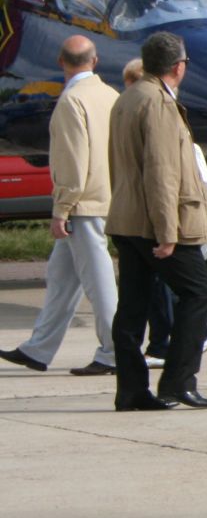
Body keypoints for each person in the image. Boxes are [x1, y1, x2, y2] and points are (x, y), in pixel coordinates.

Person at [106, 32, 207, 410]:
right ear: (178, 67)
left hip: (126, 218)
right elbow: (161, 171)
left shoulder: (128, 97)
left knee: (133, 307)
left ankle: (132, 390)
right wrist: (168, 232)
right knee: (198, 291)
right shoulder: (158, 103)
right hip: (155, 221)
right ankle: (178, 381)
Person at [0, 35, 118, 377]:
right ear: (94, 61)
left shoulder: (71, 101)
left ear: (61, 62)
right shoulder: (110, 95)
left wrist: (62, 208)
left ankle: (113, 351)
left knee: (99, 283)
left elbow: (72, 162)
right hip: (104, 197)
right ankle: (38, 349)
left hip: (84, 204)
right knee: (62, 278)